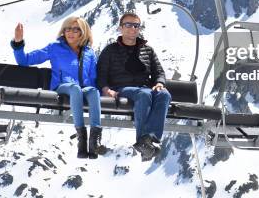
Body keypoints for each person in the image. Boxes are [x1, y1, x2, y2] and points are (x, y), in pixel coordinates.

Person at [10, 16, 103, 159]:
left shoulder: (89, 53)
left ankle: (94, 140)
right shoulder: (55, 48)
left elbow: (93, 77)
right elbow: (25, 60)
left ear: (83, 32)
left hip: (82, 89)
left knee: (94, 91)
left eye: (75, 29)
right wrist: (18, 42)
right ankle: (81, 139)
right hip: (62, 87)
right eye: (67, 29)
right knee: (75, 89)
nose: (70, 32)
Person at [97, 12, 171, 161]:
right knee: (143, 94)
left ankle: (148, 139)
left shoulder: (147, 50)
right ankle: (144, 140)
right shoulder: (110, 50)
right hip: (122, 88)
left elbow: (159, 71)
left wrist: (159, 83)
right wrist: (106, 89)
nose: (132, 28)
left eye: (136, 25)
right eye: (128, 25)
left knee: (164, 95)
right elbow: (101, 74)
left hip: (145, 87)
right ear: (120, 28)